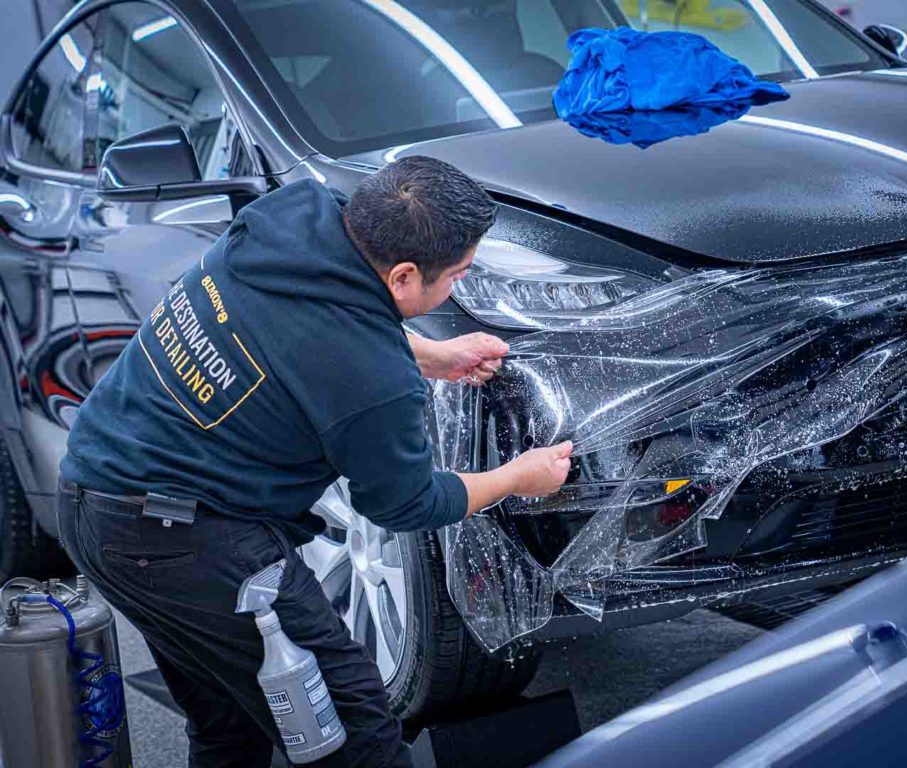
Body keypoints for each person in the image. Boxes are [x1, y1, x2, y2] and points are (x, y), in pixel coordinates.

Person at [56, 156, 573, 768]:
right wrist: (517, 477)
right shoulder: (374, 377)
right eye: (457, 276)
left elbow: (303, 325)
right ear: (404, 276)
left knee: (230, 727)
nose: (456, 287)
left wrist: (432, 356)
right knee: (353, 735)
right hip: (182, 543)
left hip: (92, 494)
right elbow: (405, 503)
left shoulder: (289, 217)